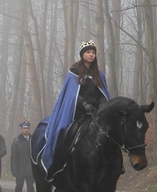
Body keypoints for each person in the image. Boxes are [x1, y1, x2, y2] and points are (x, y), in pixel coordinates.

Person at [37, 40, 109, 179]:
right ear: (82, 54)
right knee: (61, 131)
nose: (91, 55)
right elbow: (72, 94)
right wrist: (84, 104)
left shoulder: (98, 74)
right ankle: (56, 165)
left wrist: (102, 104)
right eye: (88, 52)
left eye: (93, 52)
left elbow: (102, 93)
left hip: (96, 112)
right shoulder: (74, 72)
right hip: (77, 112)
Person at [11, 121, 37, 192]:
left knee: (31, 187)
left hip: (30, 168)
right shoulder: (16, 141)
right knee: (19, 187)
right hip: (20, 168)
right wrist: (14, 169)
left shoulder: (33, 139)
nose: (26, 130)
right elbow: (14, 157)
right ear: (22, 129)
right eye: (25, 128)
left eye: (28, 128)